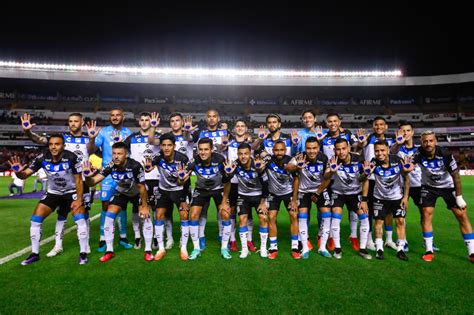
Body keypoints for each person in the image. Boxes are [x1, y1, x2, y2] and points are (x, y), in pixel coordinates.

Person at [8, 134, 89, 265]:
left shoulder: (71, 158)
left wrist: (79, 199)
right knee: (35, 219)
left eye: (57, 144)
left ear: (63, 146)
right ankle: (35, 254)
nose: (53, 147)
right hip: (53, 192)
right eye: (51, 144)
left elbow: (79, 180)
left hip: (71, 192)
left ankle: (83, 253)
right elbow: (23, 175)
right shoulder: (42, 158)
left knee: (80, 219)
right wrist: (18, 172)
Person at [21, 112, 92, 257]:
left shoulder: (88, 139)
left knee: (84, 213)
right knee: (62, 213)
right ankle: (58, 245)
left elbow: (100, 154)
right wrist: (28, 131)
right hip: (61, 183)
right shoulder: (61, 138)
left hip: (81, 181)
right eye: (70, 121)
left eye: (76, 121)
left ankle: (86, 243)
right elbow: (39, 140)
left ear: (82, 123)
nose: (73, 124)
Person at [83, 142, 151, 262]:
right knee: (109, 214)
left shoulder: (135, 166)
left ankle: (148, 250)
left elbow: (142, 187)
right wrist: (87, 176)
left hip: (137, 193)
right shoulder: (110, 166)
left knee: (145, 215)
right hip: (122, 192)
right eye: (114, 153)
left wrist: (144, 206)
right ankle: (109, 251)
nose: (116, 156)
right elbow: (92, 182)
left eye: (119, 154)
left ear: (126, 154)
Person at [412, 130, 474, 262]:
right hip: (428, 187)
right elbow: (409, 166)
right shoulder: (418, 153)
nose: (428, 143)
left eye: (430, 140)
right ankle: (429, 251)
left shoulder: (445, 154)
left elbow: (456, 175)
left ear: (435, 141)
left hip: (448, 186)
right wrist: (407, 167)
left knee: (462, 215)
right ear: (421, 143)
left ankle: (472, 252)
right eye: (425, 141)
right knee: (426, 213)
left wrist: (459, 196)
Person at [87, 108, 133, 252]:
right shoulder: (103, 132)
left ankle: (123, 237)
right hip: (108, 173)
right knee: (105, 205)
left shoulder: (128, 133)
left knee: (123, 206)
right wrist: (92, 138)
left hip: (124, 173)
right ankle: (103, 238)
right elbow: (91, 150)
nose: (114, 117)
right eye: (112, 115)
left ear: (123, 117)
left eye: (117, 115)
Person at [181, 138, 232, 260]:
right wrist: (180, 178)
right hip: (201, 190)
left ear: (211, 150)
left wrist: (225, 200)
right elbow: (182, 179)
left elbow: (227, 181)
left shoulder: (220, 160)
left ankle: (224, 248)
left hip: (218, 189)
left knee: (225, 213)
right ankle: (196, 248)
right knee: (193, 215)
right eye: (201, 150)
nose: (203, 152)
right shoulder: (194, 161)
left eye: (206, 149)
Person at [144, 133, 191, 260]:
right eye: (163, 145)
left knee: (184, 215)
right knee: (159, 215)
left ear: (174, 146)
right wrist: (148, 168)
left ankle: (184, 248)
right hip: (164, 190)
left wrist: (183, 199)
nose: (166, 148)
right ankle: (161, 248)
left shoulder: (182, 158)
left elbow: (186, 181)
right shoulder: (158, 157)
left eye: (169, 145)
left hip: (180, 190)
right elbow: (150, 166)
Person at [324, 138, 372, 260]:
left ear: (349, 148)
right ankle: (338, 248)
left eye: (344, 148)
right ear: (335, 150)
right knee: (336, 215)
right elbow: (326, 176)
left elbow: (364, 179)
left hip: (355, 194)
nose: (341, 152)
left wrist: (365, 200)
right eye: (338, 149)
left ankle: (363, 248)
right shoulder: (333, 160)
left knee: (364, 216)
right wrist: (331, 171)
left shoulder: (359, 160)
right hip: (338, 193)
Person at [366, 140, 413, 261]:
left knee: (400, 221)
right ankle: (379, 249)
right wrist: (366, 173)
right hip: (379, 198)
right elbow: (362, 178)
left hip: (397, 198)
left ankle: (401, 250)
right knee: (378, 223)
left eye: (382, 150)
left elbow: (407, 179)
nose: (379, 153)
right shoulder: (373, 162)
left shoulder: (397, 161)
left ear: (388, 150)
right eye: (376, 151)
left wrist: (405, 197)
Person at [286, 137, 332, 258]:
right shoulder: (300, 156)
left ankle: (322, 247)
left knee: (327, 215)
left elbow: (327, 178)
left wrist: (318, 193)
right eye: (309, 148)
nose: (311, 151)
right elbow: (288, 167)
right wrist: (297, 167)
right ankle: (305, 248)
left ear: (318, 148)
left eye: (314, 148)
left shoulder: (323, 158)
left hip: (319, 190)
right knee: (302, 215)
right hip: (303, 191)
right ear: (305, 148)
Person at [223, 142, 269, 258]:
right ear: (237, 154)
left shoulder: (257, 164)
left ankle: (263, 248)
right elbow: (226, 179)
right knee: (242, 219)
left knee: (263, 218)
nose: (243, 156)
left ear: (250, 154)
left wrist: (263, 202)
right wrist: (227, 174)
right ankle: (244, 249)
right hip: (243, 196)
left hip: (259, 195)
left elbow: (266, 184)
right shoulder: (236, 165)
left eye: (246, 154)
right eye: (240, 154)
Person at [256, 140, 299, 259]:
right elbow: (256, 149)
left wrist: (294, 199)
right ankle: (273, 247)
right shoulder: (268, 160)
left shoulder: (291, 161)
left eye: (281, 150)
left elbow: (296, 180)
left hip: (288, 193)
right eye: (276, 150)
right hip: (273, 193)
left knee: (294, 215)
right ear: (273, 151)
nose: (279, 152)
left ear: (285, 150)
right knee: (271, 217)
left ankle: (295, 247)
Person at [123, 112, 161, 249]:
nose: (145, 122)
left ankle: (156, 237)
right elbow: (121, 153)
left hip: (155, 178)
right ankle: (138, 236)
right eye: (143, 120)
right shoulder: (131, 138)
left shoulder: (158, 138)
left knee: (156, 208)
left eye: (147, 120)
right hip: (138, 180)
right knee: (136, 209)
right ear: (139, 122)